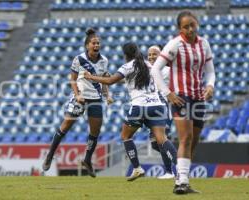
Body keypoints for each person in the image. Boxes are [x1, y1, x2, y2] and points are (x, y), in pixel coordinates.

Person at [84, 42, 177, 182]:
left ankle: (137, 168)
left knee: (126, 135)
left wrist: (91, 77)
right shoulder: (149, 65)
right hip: (157, 106)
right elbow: (133, 80)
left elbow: (109, 81)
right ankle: (181, 167)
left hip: (139, 106)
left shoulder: (127, 66)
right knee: (162, 139)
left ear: (126, 55)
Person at [151, 11, 215, 194]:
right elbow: (155, 70)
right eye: (185, 26)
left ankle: (182, 178)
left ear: (197, 24)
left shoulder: (204, 44)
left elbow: (210, 71)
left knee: (193, 141)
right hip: (181, 97)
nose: (190, 29)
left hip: (198, 98)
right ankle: (181, 183)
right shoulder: (175, 44)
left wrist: (210, 85)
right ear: (180, 28)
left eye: (192, 25)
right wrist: (168, 93)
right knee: (185, 138)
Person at [42, 28, 113, 178]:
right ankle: (50, 155)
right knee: (66, 124)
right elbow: (73, 80)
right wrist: (77, 94)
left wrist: (107, 96)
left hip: (95, 98)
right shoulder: (79, 59)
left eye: (98, 43)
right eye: (94, 43)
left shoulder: (104, 60)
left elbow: (103, 80)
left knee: (95, 132)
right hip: (80, 97)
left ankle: (87, 159)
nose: (97, 45)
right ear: (87, 45)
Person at [148, 45, 176, 179]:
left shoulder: (168, 70)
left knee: (161, 140)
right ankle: (173, 163)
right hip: (152, 110)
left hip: (163, 109)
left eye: (154, 54)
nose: (151, 57)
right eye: (149, 54)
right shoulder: (149, 70)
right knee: (155, 143)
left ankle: (172, 170)